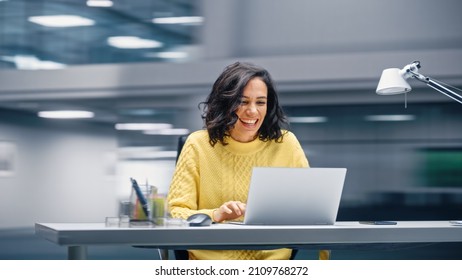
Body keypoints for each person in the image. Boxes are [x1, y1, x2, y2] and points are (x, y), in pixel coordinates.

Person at [167, 61, 309, 260]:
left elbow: (310, 209)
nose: (252, 111)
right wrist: (216, 215)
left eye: (260, 102)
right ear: (226, 103)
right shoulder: (198, 144)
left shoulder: (286, 143)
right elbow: (175, 214)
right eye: (242, 101)